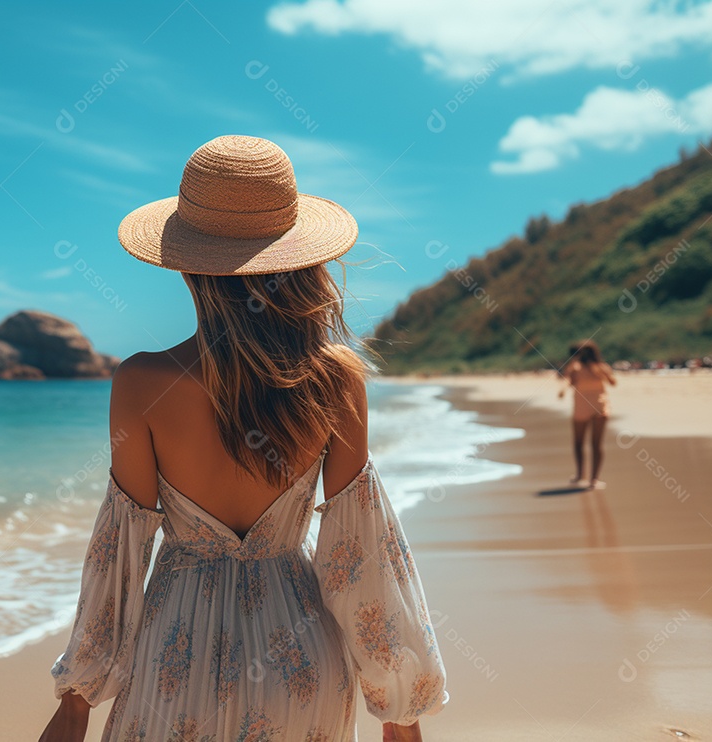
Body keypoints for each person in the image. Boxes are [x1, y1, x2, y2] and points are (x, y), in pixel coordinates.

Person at [39, 135, 448, 742]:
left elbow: (119, 554)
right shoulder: (335, 379)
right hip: (300, 659)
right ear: (299, 262)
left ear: (184, 265)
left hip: (176, 657)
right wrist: (399, 709)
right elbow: (362, 553)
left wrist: (79, 698)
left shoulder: (142, 382)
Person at [558, 339, 617, 490]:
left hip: (583, 408)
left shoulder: (576, 367)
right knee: (596, 444)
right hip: (599, 407)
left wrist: (563, 390)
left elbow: (567, 381)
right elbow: (612, 382)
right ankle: (593, 479)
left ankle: (581, 476)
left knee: (579, 443)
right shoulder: (600, 367)